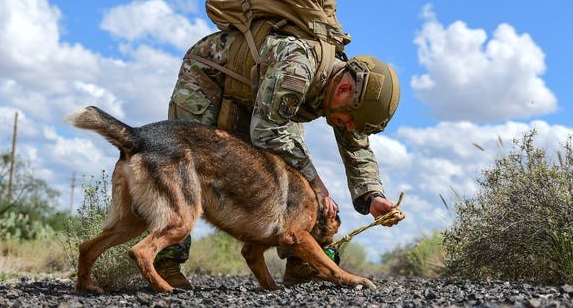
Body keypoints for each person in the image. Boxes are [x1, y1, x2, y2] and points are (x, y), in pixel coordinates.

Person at [154, 29, 404, 289]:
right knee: (183, 162)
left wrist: (373, 196)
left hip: (265, 99)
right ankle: (165, 262)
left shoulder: (348, 96)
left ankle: (300, 260)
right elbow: (266, 130)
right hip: (208, 76)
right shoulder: (298, 67)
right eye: (351, 121)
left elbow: (357, 148)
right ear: (343, 88)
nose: (349, 128)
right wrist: (317, 183)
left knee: (293, 174)